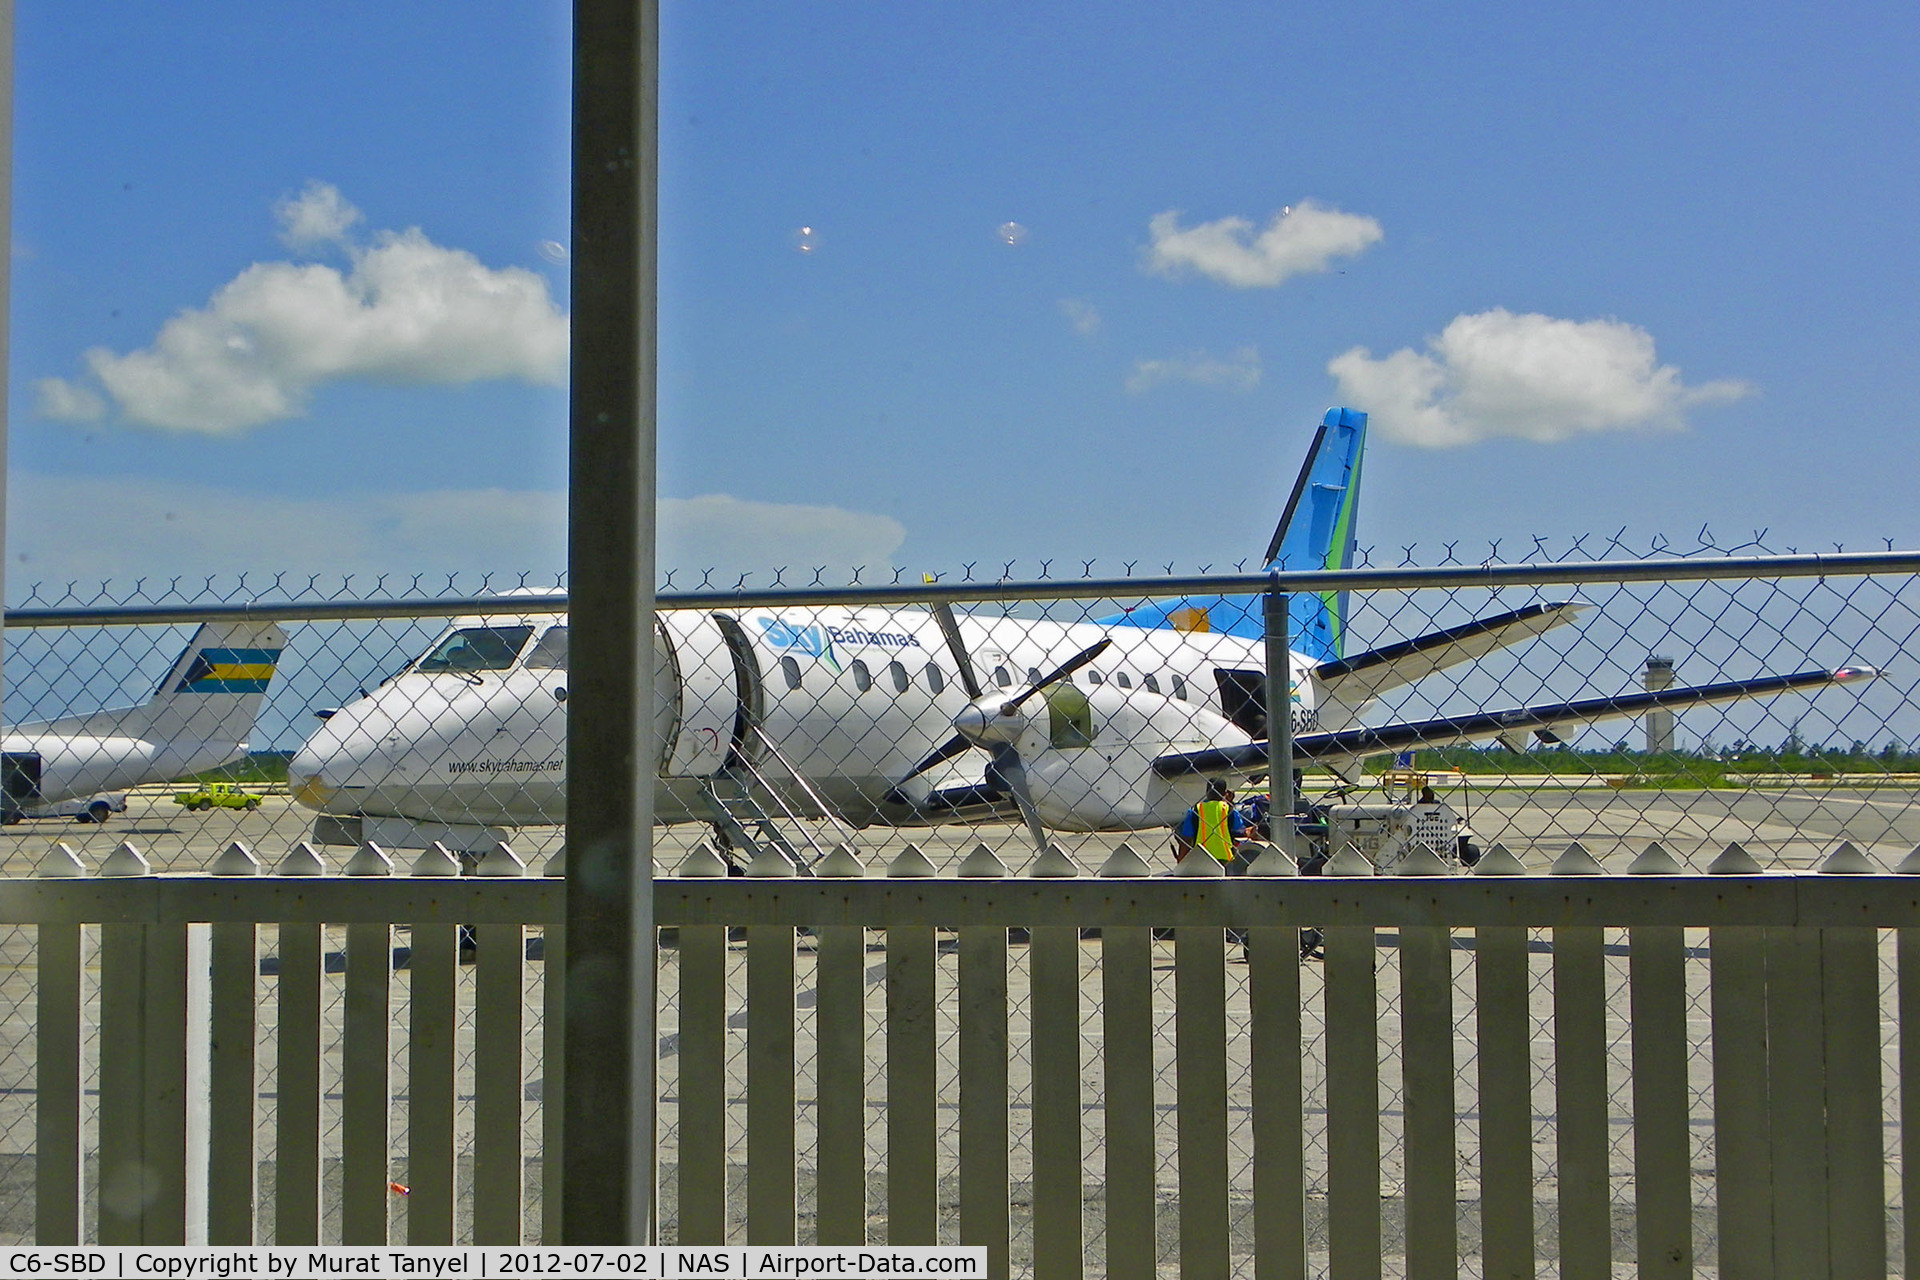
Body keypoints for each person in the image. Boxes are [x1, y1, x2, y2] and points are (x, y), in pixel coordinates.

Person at [1173, 779, 1252, 869]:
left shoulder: (1196, 810)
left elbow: (1187, 838)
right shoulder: (1229, 810)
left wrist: (1181, 860)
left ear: (1207, 792)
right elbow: (1239, 832)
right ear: (1225, 793)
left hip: (1201, 857)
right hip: (1225, 858)